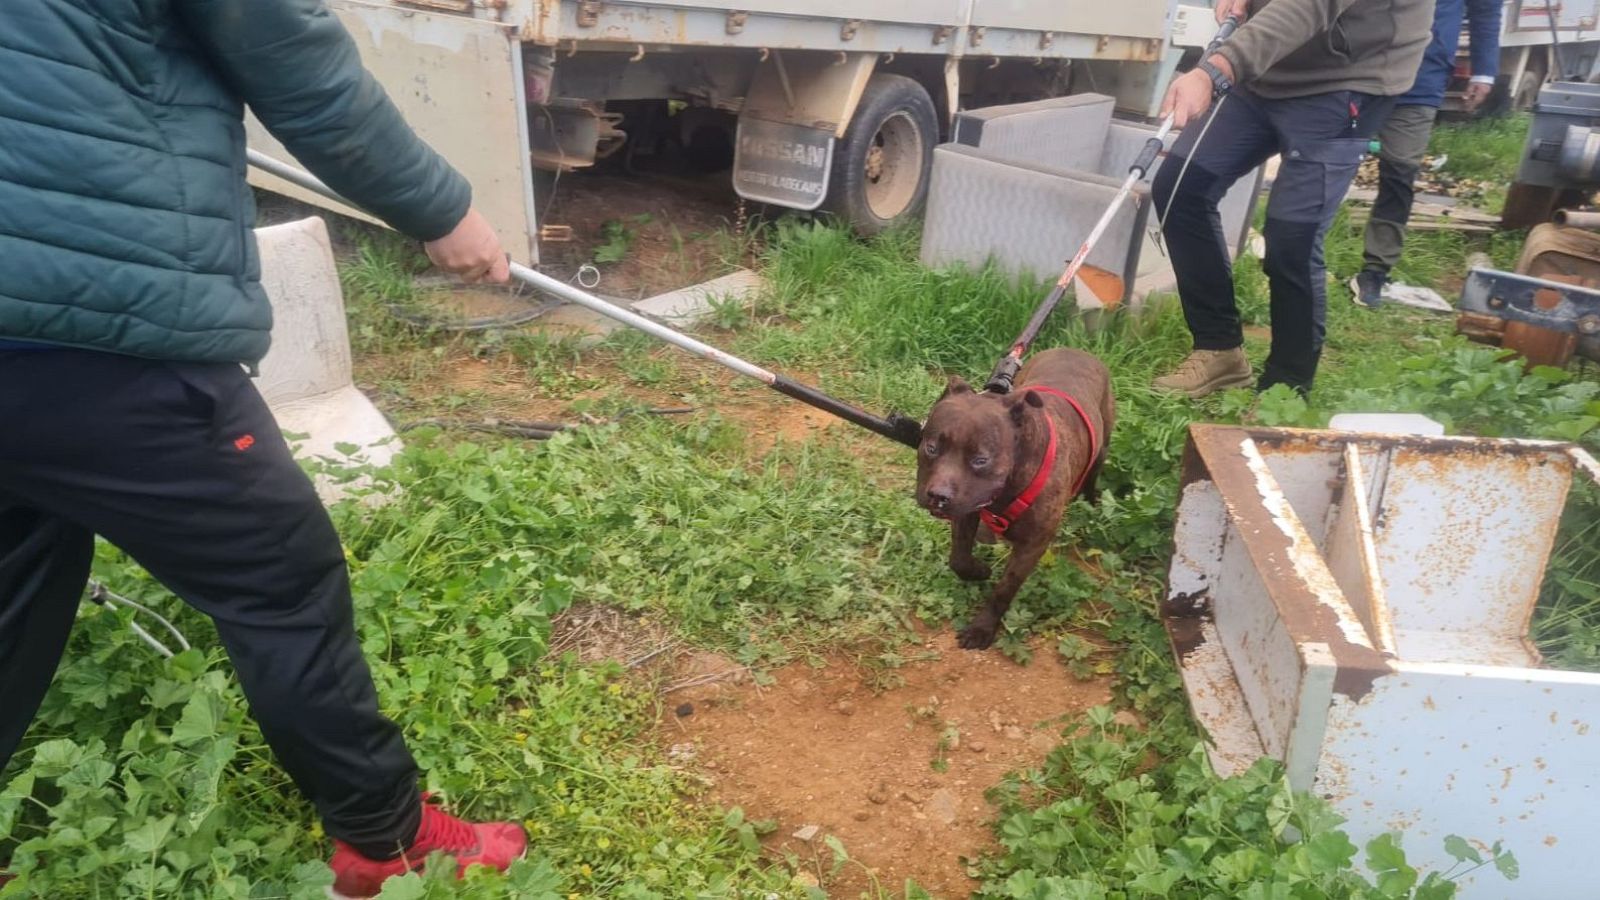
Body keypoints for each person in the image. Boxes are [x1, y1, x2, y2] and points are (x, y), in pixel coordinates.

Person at [0, 1, 522, 896]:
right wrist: (444, 211)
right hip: (102, 329)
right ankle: (384, 838)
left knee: (16, 571)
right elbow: (303, 70)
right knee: (281, 578)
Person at [1150, 0, 1432, 398]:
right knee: (1181, 186)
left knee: (1291, 238)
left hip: (1347, 77)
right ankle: (1219, 350)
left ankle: (1286, 390)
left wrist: (1214, 70)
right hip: (1266, 68)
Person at [1351, 0, 1503, 308]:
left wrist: (1484, 71)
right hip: (1356, 71)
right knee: (1327, 163)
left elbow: (1486, 9)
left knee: (1400, 172)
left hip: (1422, 78)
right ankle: (1298, 257)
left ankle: (1375, 271)